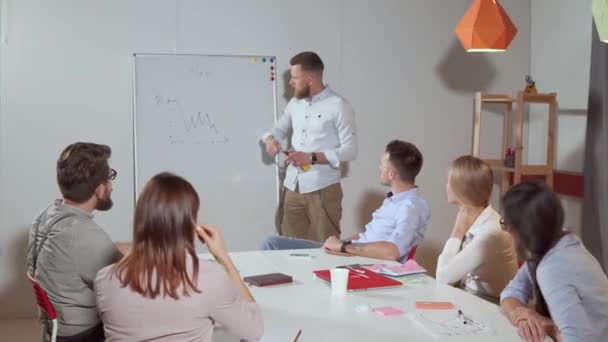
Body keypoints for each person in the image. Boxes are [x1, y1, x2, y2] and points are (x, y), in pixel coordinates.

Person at [95, 173, 264, 342]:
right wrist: (224, 259)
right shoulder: (209, 278)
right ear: (189, 223)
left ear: (141, 220)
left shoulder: (104, 279)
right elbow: (254, 329)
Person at [261, 140, 429, 262]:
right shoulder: (395, 201)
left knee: (273, 245)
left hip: (360, 263)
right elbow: (370, 236)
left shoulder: (410, 207)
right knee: (274, 244)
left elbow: (393, 252)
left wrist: (342, 247)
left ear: (392, 174)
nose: (379, 168)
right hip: (349, 253)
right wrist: (341, 244)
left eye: (382, 164)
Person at [26, 142, 125, 341]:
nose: (112, 185)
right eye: (110, 177)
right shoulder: (85, 235)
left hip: (55, 328)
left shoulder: (47, 214)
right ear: (99, 189)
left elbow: (95, 252)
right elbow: (126, 280)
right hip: (83, 334)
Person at [262, 51, 357, 242]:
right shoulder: (295, 104)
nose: (291, 82)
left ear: (310, 78)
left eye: (295, 77)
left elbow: (350, 150)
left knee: (328, 245)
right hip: (292, 186)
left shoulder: (338, 106)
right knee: (288, 245)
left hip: (323, 188)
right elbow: (278, 129)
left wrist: (311, 157)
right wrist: (270, 140)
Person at [499, 181, 608, 342]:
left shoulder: (553, 267)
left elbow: (578, 339)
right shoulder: (554, 243)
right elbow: (511, 292)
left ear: (521, 230)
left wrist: (545, 324)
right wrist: (521, 315)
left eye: (505, 224)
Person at [435, 156, 518, 303]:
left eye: (449, 182)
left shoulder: (491, 233)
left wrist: (457, 231)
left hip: (490, 305)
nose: (446, 185)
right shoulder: (476, 219)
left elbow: (443, 278)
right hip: (470, 296)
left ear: (461, 189)